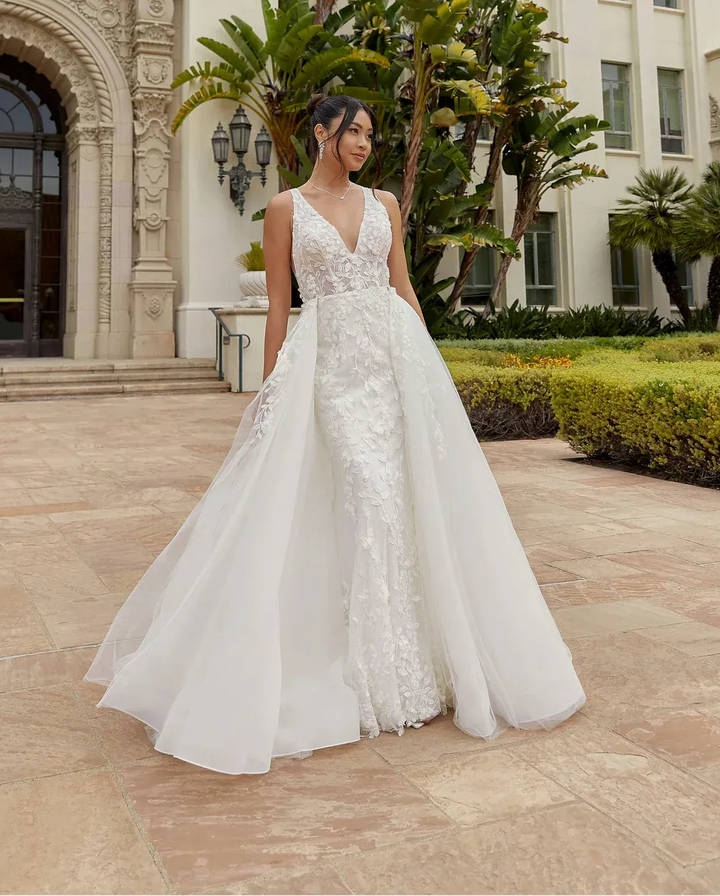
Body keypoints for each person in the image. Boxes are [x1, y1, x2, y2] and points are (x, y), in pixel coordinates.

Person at [84, 93, 586, 776]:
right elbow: (279, 307)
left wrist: (430, 371)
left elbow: (402, 288)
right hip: (332, 370)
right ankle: (360, 669)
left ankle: (420, 666)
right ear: (319, 132)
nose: (363, 142)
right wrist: (268, 388)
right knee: (363, 489)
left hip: (393, 359)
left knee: (409, 500)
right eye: (352, 130)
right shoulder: (286, 208)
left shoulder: (385, 203)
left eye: (369, 133)